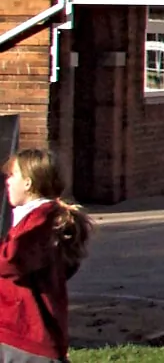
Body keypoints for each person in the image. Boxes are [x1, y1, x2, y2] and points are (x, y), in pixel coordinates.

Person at [0, 149, 95, 363]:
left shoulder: (39, 221)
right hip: (24, 332)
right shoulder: (40, 219)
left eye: (12, 175)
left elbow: (11, 261)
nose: (7, 181)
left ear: (28, 183)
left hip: (25, 335)